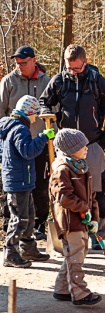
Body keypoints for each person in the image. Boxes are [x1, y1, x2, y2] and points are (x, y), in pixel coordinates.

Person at [40, 44, 105, 250]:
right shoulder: (59, 81)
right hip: (65, 148)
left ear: (85, 63)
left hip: (92, 144)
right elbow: (44, 102)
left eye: (77, 68)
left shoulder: (96, 80)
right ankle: (67, 232)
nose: (73, 72)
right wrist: (54, 117)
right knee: (65, 191)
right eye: (69, 68)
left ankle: (98, 234)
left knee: (95, 190)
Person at [0, 46, 53, 240]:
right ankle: (10, 227)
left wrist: (49, 135)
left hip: (38, 144)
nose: (20, 67)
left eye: (24, 63)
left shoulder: (47, 82)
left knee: (39, 185)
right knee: (14, 186)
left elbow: (53, 110)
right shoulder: (8, 82)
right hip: (13, 144)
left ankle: (38, 226)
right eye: (17, 64)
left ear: (33, 60)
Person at [50, 128, 102, 306]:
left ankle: (62, 289)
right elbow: (64, 197)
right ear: (70, 149)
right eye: (82, 146)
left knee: (75, 254)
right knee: (76, 256)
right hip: (70, 222)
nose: (86, 148)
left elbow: (91, 196)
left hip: (82, 220)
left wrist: (94, 217)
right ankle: (80, 293)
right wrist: (83, 208)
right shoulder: (62, 169)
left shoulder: (82, 167)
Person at [0, 95, 53, 267]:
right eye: (35, 114)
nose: (36, 118)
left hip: (22, 178)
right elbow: (27, 151)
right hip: (18, 181)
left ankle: (28, 248)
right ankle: (11, 252)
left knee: (29, 216)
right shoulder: (19, 129)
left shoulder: (11, 127)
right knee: (20, 218)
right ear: (29, 112)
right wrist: (43, 138)